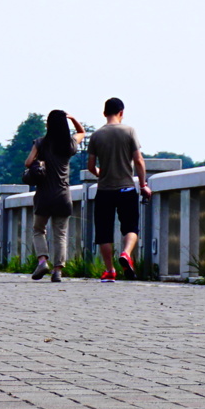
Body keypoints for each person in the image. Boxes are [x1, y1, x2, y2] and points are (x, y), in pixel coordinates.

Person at [87, 97, 152, 282]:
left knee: (104, 231)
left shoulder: (96, 135)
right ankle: (126, 253)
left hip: (105, 190)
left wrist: (102, 173)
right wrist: (143, 185)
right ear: (121, 113)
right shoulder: (129, 131)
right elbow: (138, 160)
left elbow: (91, 166)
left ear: (104, 113)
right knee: (131, 227)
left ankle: (110, 271)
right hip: (127, 189)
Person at [26, 111, 85, 283]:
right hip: (63, 195)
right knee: (60, 234)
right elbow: (82, 133)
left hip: (44, 195)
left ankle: (42, 260)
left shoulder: (41, 143)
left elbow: (28, 163)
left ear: (48, 125)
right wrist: (73, 118)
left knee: (38, 230)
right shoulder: (69, 144)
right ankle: (57, 271)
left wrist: (40, 160)